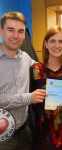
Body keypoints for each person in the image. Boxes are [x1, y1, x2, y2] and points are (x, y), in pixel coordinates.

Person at [0, 11, 47, 150]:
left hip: (23, 133)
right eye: (11, 30)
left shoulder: (25, 57)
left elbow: (44, 68)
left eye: (20, 31)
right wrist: (28, 98)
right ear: (1, 31)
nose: (16, 36)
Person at [30, 25, 62, 150]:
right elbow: (30, 103)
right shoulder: (35, 70)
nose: (57, 46)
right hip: (43, 132)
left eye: (61, 41)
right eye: (52, 41)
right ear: (46, 44)